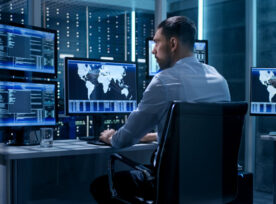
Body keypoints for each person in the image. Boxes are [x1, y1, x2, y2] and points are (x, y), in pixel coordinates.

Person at [90, 16, 231, 203]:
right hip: (214, 183)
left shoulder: (163, 81)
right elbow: (200, 133)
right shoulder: (219, 79)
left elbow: (124, 139)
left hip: (171, 184)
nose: (153, 50)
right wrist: (152, 136)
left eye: (157, 42)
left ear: (172, 43)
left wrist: (110, 137)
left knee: (101, 185)